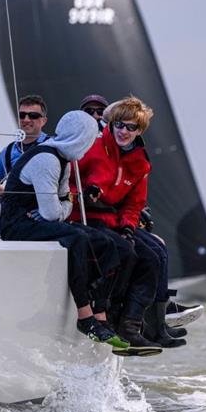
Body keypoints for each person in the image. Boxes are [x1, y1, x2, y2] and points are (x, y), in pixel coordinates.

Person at [0, 110, 129, 350]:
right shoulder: (46, 159)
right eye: (90, 138)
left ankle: (100, 314)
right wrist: (59, 207)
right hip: (17, 224)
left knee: (107, 243)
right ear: (81, 137)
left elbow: (61, 206)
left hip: (39, 221)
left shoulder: (63, 159)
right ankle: (84, 315)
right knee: (77, 237)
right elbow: (53, 211)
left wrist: (59, 207)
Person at [69, 96, 174, 351]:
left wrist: (129, 225)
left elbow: (134, 203)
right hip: (84, 217)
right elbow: (65, 182)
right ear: (111, 124)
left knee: (150, 258)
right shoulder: (91, 147)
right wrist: (84, 192)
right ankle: (108, 315)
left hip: (113, 221)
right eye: (119, 125)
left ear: (139, 131)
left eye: (131, 127)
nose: (124, 132)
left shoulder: (139, 162)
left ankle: (132, 326)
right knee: (124, 253)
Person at [0, 95, 50, 190]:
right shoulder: (9, 151)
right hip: (13, 203)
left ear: (43, 121)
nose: (26, 120)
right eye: (22, 115)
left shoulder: (52, 146)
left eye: (33, 116)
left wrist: (6, 191)